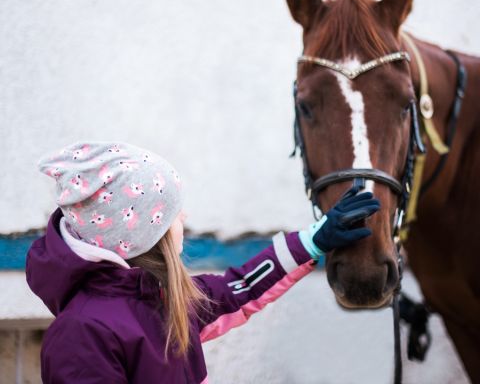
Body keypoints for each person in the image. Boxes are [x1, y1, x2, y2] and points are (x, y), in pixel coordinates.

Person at [26, 141, 380, 383]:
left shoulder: (159, 299)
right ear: (146, 235)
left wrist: (313, 241)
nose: (186, 217)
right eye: (174, 214)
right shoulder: (83, 334)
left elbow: (237, 289)